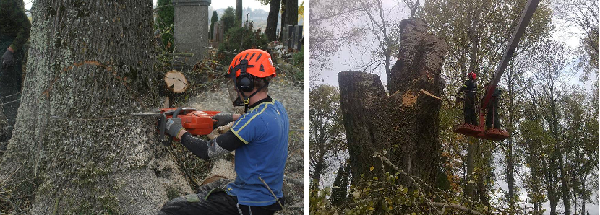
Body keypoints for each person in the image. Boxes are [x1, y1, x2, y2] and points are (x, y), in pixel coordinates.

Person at [159, 49, 289, 215]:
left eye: (236, 82)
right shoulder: (277, 109)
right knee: (209, 188)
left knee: (173, 208)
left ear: (245, 83)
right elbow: (255, 121)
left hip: (249, 203)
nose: (235, 88)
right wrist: (228, 117)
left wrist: (178, 132)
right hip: (268, 197)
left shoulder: (253, 121)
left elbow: (207, 151)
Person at [0, 0, 30, 139]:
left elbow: (25, 27)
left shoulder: (6, 3)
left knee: (9, 94)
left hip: (9, 54)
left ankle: (13, 134)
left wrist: (11, 50)